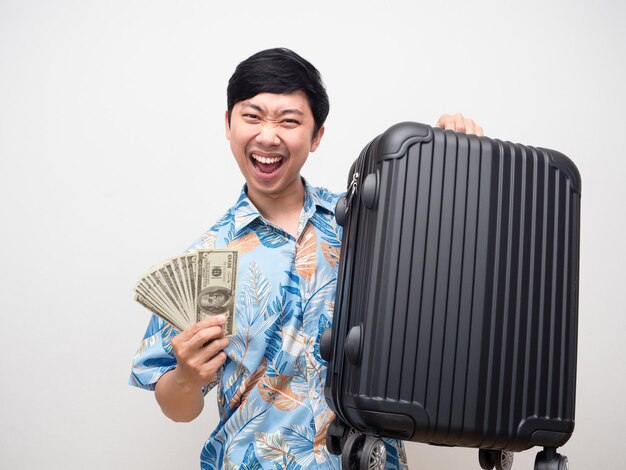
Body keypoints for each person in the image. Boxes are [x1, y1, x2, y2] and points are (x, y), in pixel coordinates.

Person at [130, 47, 483, 469]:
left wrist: (459, 155)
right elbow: (178, 407)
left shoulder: (364, 223)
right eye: (252, 116)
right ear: (228, 124)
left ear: (316, 136)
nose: (267, 136)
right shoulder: (206, 260)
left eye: (289, 121)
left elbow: (446, 255)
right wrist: (187, 377)